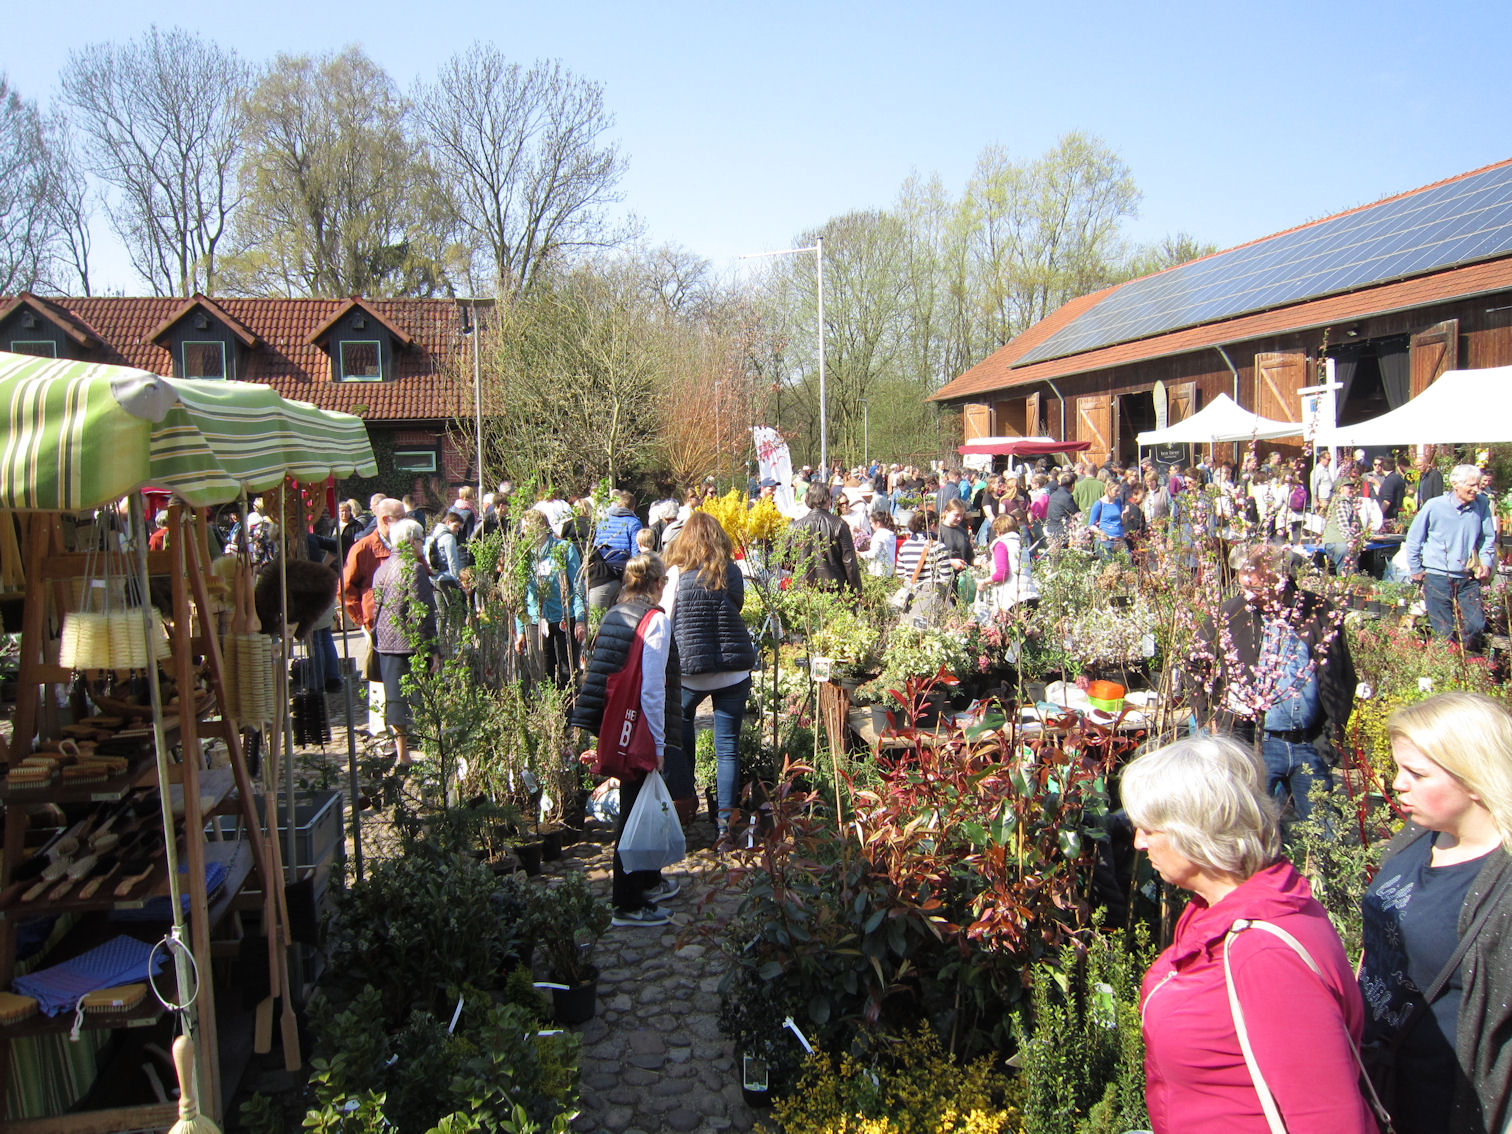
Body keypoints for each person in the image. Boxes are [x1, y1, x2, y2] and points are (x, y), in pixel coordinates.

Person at [1129, 735, 1377, 1134]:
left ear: (1195, 832)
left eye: (1148, 828)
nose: (1138, 842)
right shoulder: (1219, 913)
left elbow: (1327, 1118)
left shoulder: (1264, 952)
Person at [1357, 692, 1512, 1134]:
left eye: (1417, 773)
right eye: (1399, 768)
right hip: (1380, 1082)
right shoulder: (1418, 836)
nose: (1397, 783)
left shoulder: (1503, 885)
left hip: (1447, 1106)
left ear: (1476, 778)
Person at [1188, 544, 1355, 821]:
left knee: (1324, 827)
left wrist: (1334, 729)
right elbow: (1194, 661)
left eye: (1254, 587)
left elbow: (1341, 673)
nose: (1246, 594)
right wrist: (1208, 715)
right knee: (1254, 828)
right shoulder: (1232, 613)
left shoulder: (1318, 611)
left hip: (1308, 742)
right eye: (1243, 585)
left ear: (1280, 578)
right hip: (1255, 742)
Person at [570, 553, 683, 927]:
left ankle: (646, 881)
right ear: (656, 584)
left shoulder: (615, 613)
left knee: (638, 807)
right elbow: (652, 688)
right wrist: (659, 745)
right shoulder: (655, 622)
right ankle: (627, 902)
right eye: (664, 582)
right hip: (638, 729)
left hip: (617, 724)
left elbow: (603, 675)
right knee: (634, 814)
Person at [661, 511, 756, 834]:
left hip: (690, 670)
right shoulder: (731, 571)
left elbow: (664, 619)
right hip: (733, 669)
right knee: (727, 746)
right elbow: (737, 605)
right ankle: (725, 826)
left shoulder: (675, 574)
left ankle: (685, 799)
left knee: (679, 727)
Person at [1405, 464, 1495, 651]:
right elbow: (1414, 538)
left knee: (1476, 624)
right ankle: (1447, 669)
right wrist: (1416, 569)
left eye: (1478, 485)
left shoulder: (1481, 504)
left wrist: (1486, 562)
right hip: (1437, 576)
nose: (1476, 489)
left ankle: (1468, 665)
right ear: (1455, 484)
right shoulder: (1434, 506)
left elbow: (1487, 538)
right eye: (1471, 485)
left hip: (1468, 577)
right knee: (1443, 631)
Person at [371, 518, 437, 764]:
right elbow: (423, 612)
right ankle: (432, 751)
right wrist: (433, 649)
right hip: (410, 644)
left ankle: (403, 754)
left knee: (395, 701)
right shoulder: (414, 568)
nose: (422, 545)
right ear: (411, 541)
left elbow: (376, 607)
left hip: (386, 643)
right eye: (421, 540)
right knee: (421, 699)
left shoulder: (383, 568)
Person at [519, 510, 586, 690]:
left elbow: (577, 585)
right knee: (542, 673)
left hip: (564, 616)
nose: (524, 532)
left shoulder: (564, 549)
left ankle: (568, 714)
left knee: (568, 673)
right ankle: (548, 713)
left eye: (527, 527)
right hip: (536, 619)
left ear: (541, 526)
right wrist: (520, 629)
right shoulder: (524, 555)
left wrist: (580, 619)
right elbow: (520, 595)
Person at [787, 483, 863, 594]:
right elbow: (849, 562)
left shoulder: (795, 527)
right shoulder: (839, 524)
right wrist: (856, 591)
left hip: (804, 590)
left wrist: (800, 568)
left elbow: (784, 560)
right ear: (828, 500)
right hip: (833, 589)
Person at [585, 490, 644, 613]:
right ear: (633, 507)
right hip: (621, 570)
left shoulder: (604, 521)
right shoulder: (634, 523)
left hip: (603, 570)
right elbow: (635, 550)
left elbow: (596, 545)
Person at [984, 513, 1036, 612]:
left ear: (998, 532)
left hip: (1013, 599)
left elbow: (1002, 574)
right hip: (1030, 596)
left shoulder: (1001, 545)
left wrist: (984, 582)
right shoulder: (1021, 545)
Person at [1320, 477, 1363, 574]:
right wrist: (1350, 542)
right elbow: (1343, 525)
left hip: (1333, 542)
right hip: (1339, 542)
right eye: (1349, 487)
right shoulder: (1343, 502)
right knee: (1347, 573)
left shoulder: (1337, 501)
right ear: (1340, 489)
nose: (1352, 490)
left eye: (1353, 487)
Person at [1087, 479, 1125, 558]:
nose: (1118, 493)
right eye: (1116, 490)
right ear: (1108, 489)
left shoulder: (1118, 502)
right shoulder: (1099, 504)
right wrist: (1100, 532)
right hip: (1106, 541)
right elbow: (1091, 524)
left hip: (1119, 539)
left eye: (1119, 491)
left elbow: (1122, 522)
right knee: (1108, 567)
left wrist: (1124, 515)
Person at [860, 508, 897, 576]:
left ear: (877, 523)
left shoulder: (878, 535)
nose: (871, 526)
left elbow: (873, 554)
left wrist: (860, 554)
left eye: (871, 523)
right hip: (889, 571)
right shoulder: (891, 535)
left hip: (878, 571)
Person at [1309, 450, 1335, 514]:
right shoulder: (1318, 470)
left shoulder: (1326, 470)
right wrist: (1315, 501)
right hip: (1322, 499)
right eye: (1328, 459)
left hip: (1329, 498)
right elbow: (1313, 486)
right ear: (1321, 459)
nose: (1329, 461)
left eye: (1330, 459)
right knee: (1321, 518)